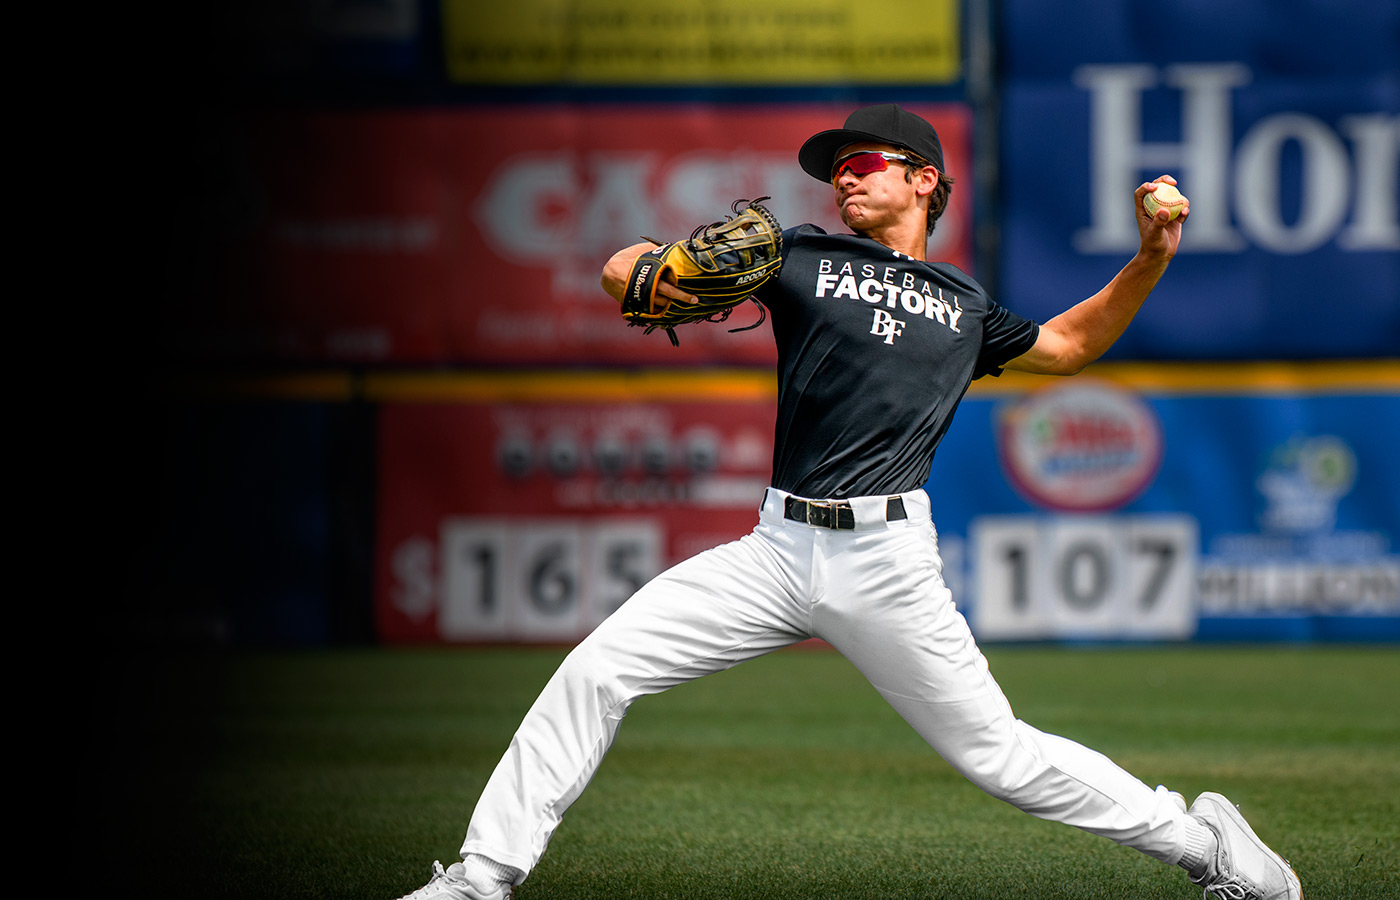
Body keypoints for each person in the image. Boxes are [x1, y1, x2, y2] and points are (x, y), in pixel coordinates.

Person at [394, 104, 1301, 900]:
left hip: (886, 561)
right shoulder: (796, 256)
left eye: (860, 163)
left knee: (998, 755)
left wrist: (1149, 258)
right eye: (835, 169)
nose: (841, 178)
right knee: (597, 669)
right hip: (774, 550)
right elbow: (625, 270)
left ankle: (1200, 840)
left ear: (923, 180)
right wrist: (650, 267)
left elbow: (1065, 347)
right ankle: (481, 878)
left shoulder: (965, 306)